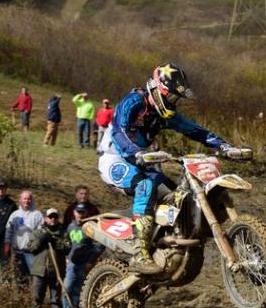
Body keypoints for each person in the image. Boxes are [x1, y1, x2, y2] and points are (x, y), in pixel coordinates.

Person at [97, 63, 237, 274]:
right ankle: (139, 252)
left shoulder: (165, 114)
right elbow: (119, 131)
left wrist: (225, 146)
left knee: (176, 195)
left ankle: (164, 241)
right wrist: (137, 152)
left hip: (140, 160)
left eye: (176, 99)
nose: (173, 102)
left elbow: (195, 130)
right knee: (145, 185)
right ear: (158, 89)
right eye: (171, 96)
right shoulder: (133, 102)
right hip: (114, 158)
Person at [24, 208, 70, 308]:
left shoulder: (63, 233)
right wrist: (41, 241)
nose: (53, 219)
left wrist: (55, 242)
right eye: (50, 217)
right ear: (46, 218)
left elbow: (67, 248)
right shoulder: (38, 232)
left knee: (56, 299)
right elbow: (30, 248)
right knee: (37, 298)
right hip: (39, 271)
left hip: (56, 271)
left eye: (55, 216)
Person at [61, 203, 103, 308]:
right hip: (72, 263)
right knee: (66, 288)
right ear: (74, 213)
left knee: (81, 291)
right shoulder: (70, 227)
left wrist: (91, 261)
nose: (80, 215)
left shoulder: (90, 228)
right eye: (78, 212)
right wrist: (66, 256)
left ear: (86, 213)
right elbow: (65, 243)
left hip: (85, 265)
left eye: (82, 212)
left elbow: (99, 246)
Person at [5, 190, 43, 287]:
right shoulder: (15, 215)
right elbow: (9, 230)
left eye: (29, 199)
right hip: (17, 252)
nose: (27, 201)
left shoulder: (37, 215)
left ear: (32, 200)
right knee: (19, 278)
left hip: (32, 252)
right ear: (20, 200)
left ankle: (33, 295)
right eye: (24, 198)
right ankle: (22, 295)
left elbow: (41, 233)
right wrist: (7, 244)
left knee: (34, 279)